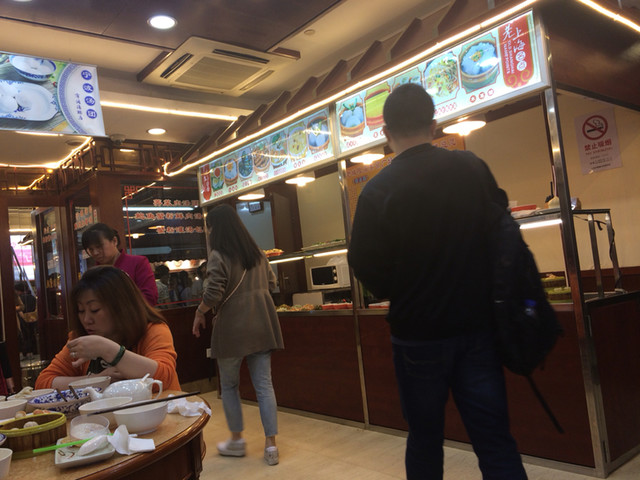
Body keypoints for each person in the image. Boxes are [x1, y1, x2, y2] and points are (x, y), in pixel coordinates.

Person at [347, 84, 527, 480]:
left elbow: (362, 262)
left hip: (416, 332)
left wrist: (399, 289)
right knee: (495, 442)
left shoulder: (377, 190)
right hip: (477, 327)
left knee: (424, 440)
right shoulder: (471, 167)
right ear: (433, 125)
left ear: (385, 133)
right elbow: (501, 228)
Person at [192, 204, 283, 466]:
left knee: (230, 386)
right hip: (262, 324)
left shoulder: (219, 255)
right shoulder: (258, 253)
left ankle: (237, 441)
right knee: (264, 385)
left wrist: (199, 312)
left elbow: (213, 294)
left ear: (214, 228)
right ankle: (271, 445)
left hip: (233, 328)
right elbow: (273, 284)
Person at [35, 265, 180, 391]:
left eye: (95, 309)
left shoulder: (153, 330)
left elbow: (163, 379)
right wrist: (97, 380)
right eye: (81, 311)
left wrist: (107, 349)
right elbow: (43, 383)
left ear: (121, 307)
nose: (86, 319)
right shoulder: (81, 339)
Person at [82, 223, 158, 305]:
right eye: (91, 249)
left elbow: (150, 297)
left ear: (114, 241)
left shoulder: (137, 262)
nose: (95, 253)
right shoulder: (93, 273)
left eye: (99, 246)